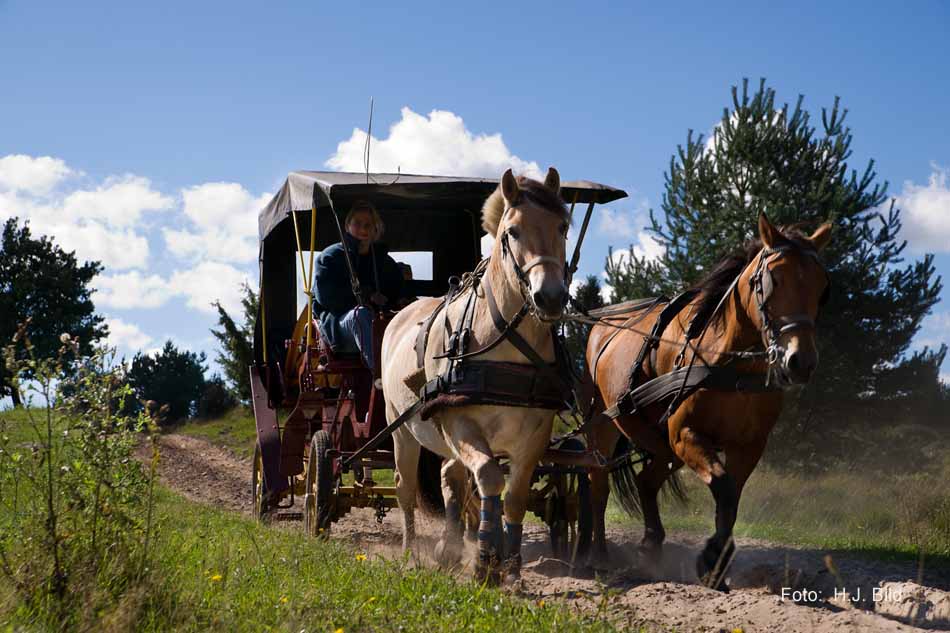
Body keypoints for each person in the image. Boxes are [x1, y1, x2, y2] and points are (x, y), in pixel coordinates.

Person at [313, 200, 403, 371]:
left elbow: (398, 291)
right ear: (347, 226)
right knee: (360, 315)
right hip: (340, 327)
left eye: (368, 225)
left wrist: (402, 302)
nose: (363, 229)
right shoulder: (330, 257)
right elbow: (326, 298)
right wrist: (366, 295)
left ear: (375, 229)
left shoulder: (385, 262)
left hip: (380, 322)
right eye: (358, 224)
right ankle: (381, 377)